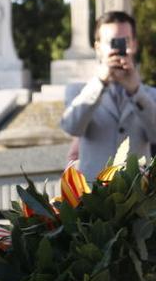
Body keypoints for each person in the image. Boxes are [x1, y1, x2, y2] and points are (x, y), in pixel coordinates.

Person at [61, 11, 156, 180]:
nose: (117, 48)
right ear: (98, 47)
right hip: (93, 196)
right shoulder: (78, 91)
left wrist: (136, 92)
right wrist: (99, 83)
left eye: (124, 41)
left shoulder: (149, 95)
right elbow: (71, 127)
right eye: (110, 42)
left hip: (137, 196)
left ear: (134, 45)